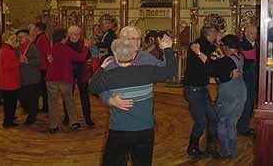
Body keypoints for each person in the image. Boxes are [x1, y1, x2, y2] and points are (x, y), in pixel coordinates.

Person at [89, 37, 177, 166]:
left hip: (120, 130)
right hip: (146, 129)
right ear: (135, 54)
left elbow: (93, 87)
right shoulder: (147, 71)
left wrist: (102, 67)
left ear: (115, 56)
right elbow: (170, 71)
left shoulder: (109, 75)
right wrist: (167, 49)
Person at [191, 34, 247, 158]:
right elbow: (222, 66)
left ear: (226, 47)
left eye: (222, 46)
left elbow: (212, 67)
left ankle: (225, 151)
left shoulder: (227, 60)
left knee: (221, 122)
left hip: (229, 95)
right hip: (241, 93)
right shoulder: (240, 56)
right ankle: (233, 152)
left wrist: (199, 52)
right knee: (232, 123)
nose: (221, 48)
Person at [183, 26, 220, 158]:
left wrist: (216, 44)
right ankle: (192, 148)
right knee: (201, 121)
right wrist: (217, 45)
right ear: (212, 34)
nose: (218, 35)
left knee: (213, 118)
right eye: (217, 33)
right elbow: (211, 67)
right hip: (193, 89)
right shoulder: (198, 45)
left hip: (201, 89)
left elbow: (212, 65)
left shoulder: (205, 46)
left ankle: (210, 147)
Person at [45, 28, 89, 133]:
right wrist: (86, 47)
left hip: (51, 79)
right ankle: (73, 122)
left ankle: (52, 125)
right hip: (64, 79)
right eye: (66, 36)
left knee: (52, 103)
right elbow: (81, 57)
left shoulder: (51, 48)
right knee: (69, 101)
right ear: (63, 38)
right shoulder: (64, 48)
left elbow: (48, 61)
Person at [67, 25, 94, 127]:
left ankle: (88, 118)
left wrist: (88, 62)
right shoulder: (66, 44)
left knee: (85, 96)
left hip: (82, 72)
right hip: (70, 72)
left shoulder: (83, 43)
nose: (76, 36)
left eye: (78, 34)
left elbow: (88, 57)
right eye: (74, 34)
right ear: (69, 35)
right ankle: (68, 117)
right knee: (68, 95)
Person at [16, 29, 41, 125]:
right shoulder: (17, 48)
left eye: (21, 37)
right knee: (22, 98)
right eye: (18, 37)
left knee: (32, 99)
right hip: (22, 78)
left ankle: (32, 117)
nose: (19, 39)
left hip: (32, 78)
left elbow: (39, 61)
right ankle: (31, 112)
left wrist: (28, 62)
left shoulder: (33, 47)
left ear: (27, 37)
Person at [237, 24, 258, 136]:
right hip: (246, 78)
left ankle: (245, 126)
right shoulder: (242, 45)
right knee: (247, 103)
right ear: (245, 33)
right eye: (251, 33)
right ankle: (242, 127)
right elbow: (247, 64)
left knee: (251, 103)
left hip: (254, 78)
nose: (254, 35)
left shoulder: (257, 44)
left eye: (255, 33)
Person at [0, 32, 20, 128]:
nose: (15, 41)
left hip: (6, 81)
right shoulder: (7, 50)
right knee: (10, 103)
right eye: (13, 39)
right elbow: (8, 65)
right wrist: (19, 61)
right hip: (9, 82)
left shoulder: (5, 49)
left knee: (9, 103)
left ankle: (9, 119)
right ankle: (8, 122)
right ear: (7, 40)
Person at [33, 22, 50, 113]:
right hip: (42, 66)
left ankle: (46, 107)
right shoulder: (41, 37)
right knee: (43, 88)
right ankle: (45, 106)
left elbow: (45, 52)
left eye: (35, 29)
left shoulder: (42, 38)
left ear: (38, 29)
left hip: (43, 67)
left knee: (43, 88)